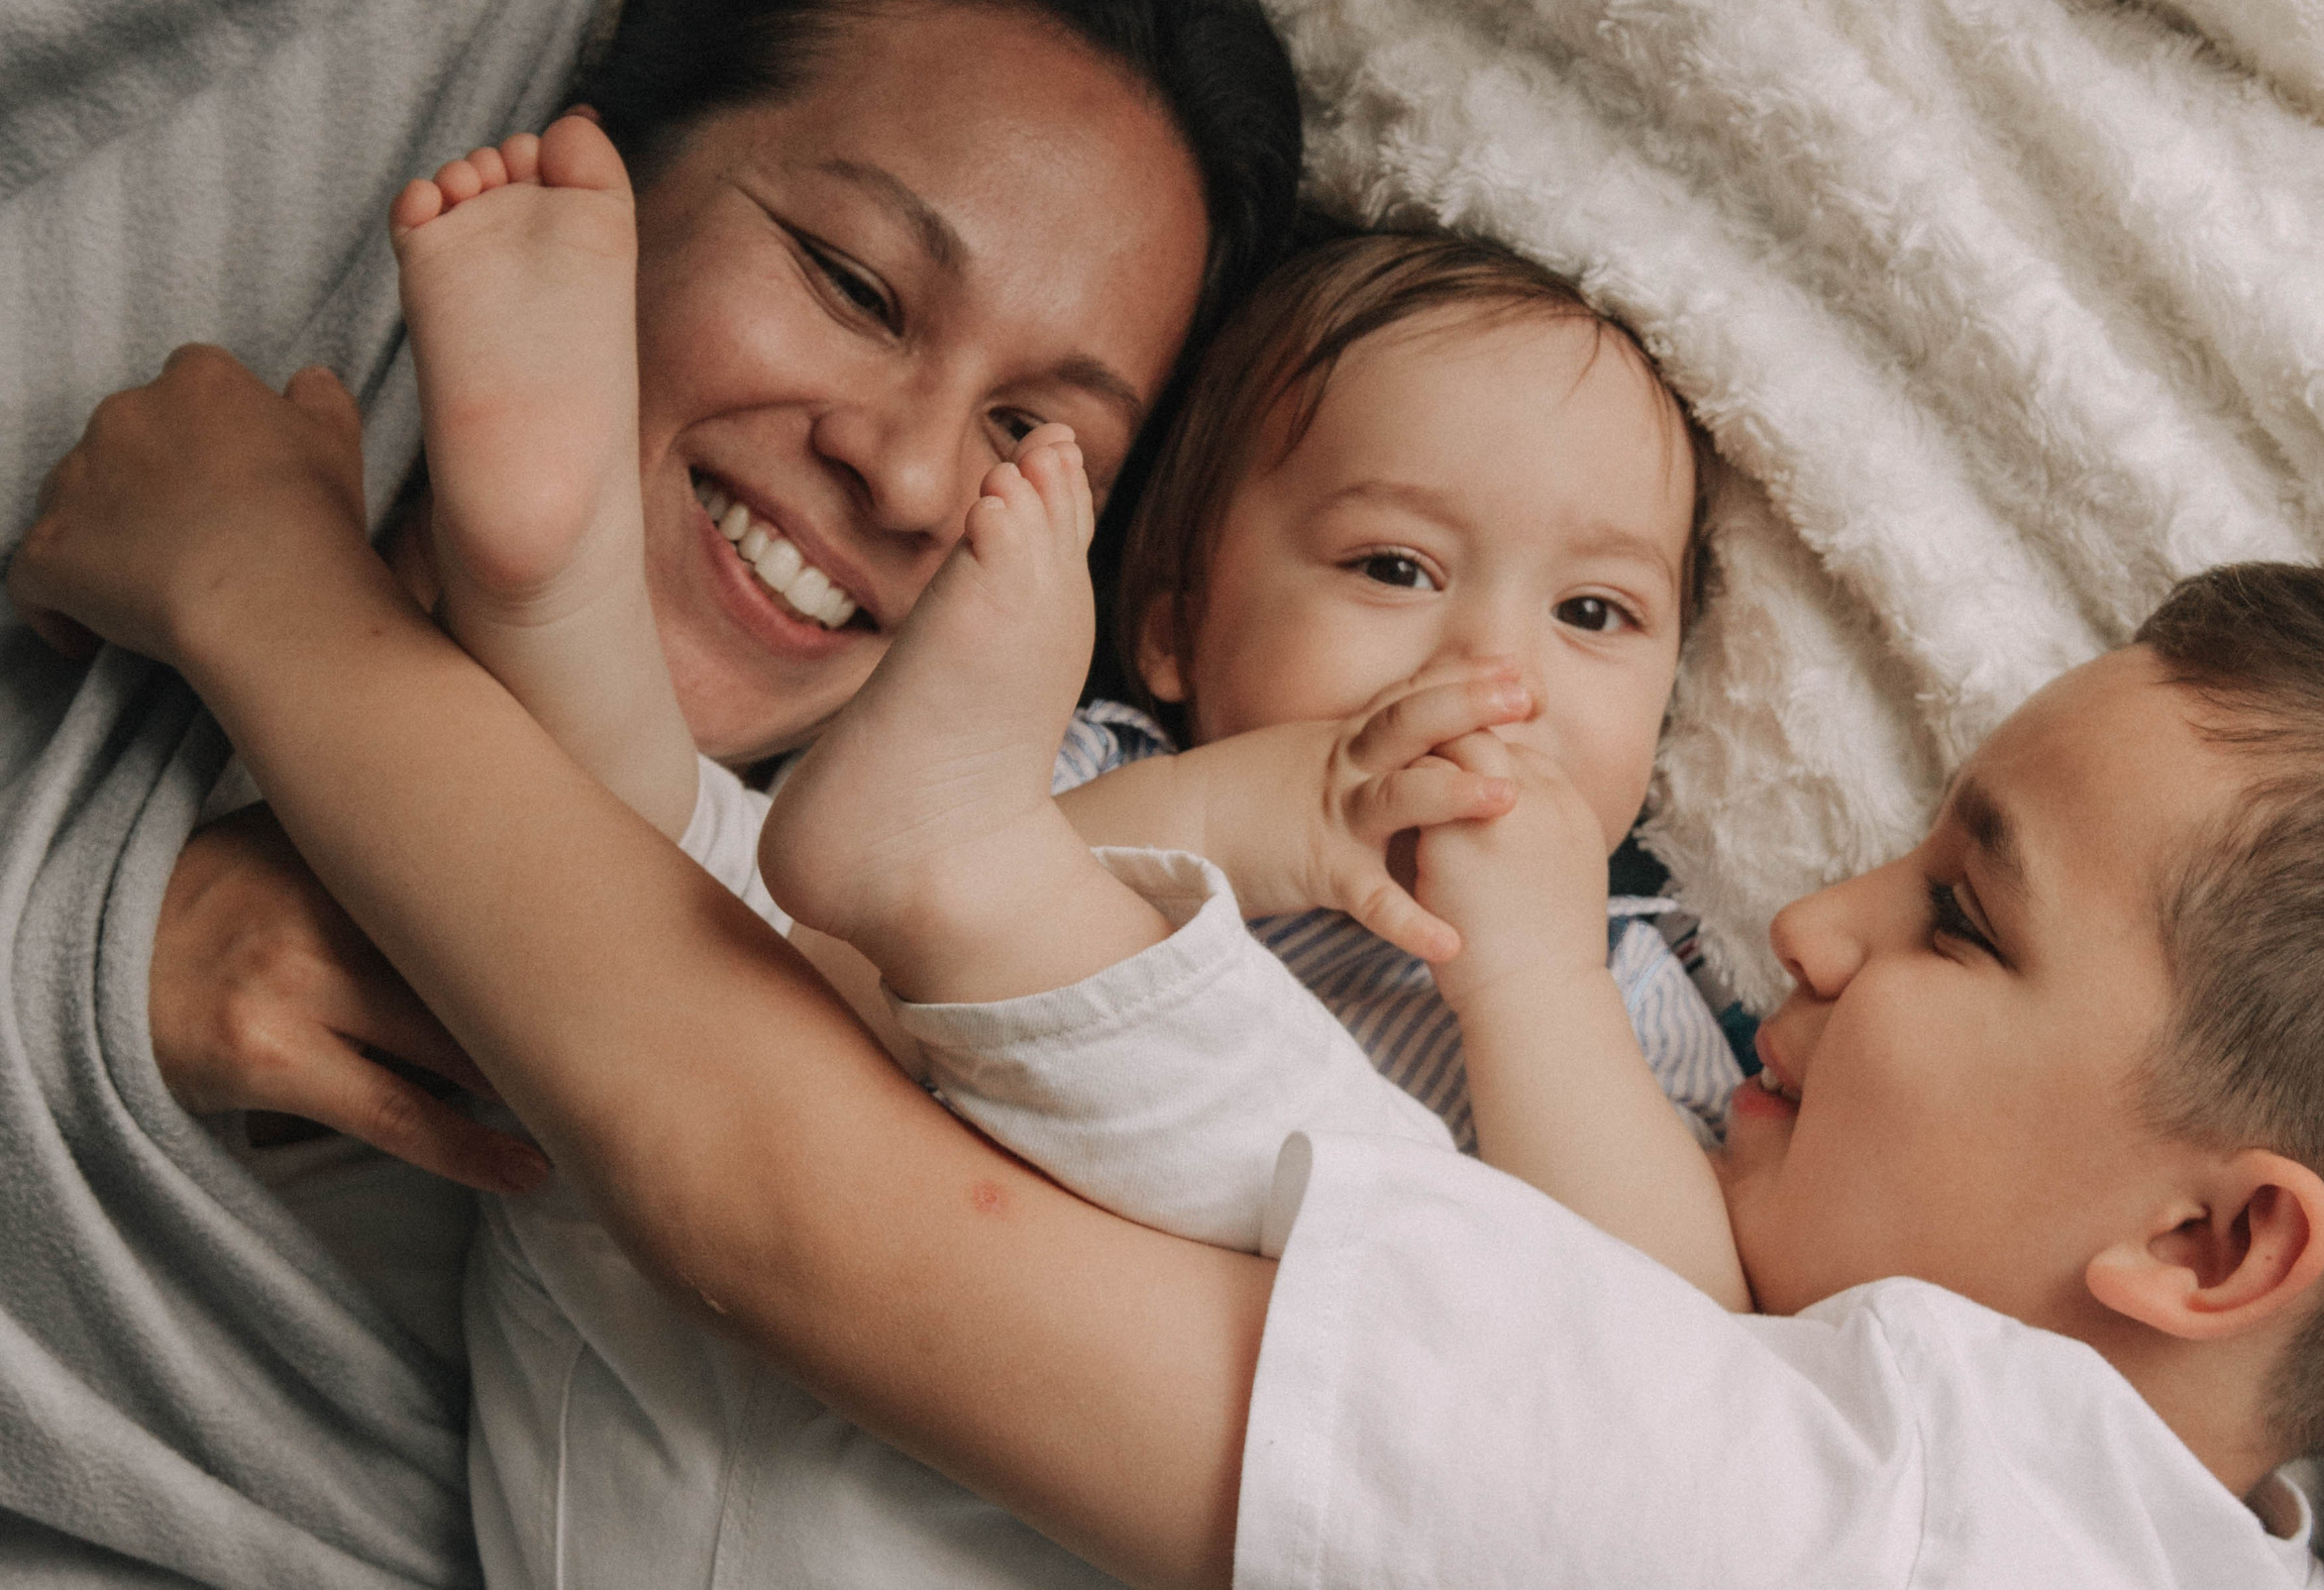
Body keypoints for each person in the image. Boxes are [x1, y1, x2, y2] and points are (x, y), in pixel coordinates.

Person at [28, 204, 2324, 1588]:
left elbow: (773, 1196)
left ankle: (805, 772)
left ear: (2215, 1252)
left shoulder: (1892, 1533)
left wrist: (267, 593)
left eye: (1963, 920)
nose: (1813, 923)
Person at [0, 0, 1300, 1581]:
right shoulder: (394, 49)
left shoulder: (858, 976)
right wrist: (101, 964)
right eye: (853, 284)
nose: (908, 480)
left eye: (1036, 438)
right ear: (597, 160)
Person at [387, 115, 1745, 1580]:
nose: (1495, 668)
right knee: (670, 914)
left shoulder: (1628, 993)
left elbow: (1674, 1388)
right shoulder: (1059, 753)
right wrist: (1255, 811)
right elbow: (818, 952)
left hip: (1030, 1502)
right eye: (1392, 568)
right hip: (687, 1376)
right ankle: (548, 572)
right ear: (1169, 614)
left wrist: (1534, 973)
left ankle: (551, 597)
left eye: (1594, 614)